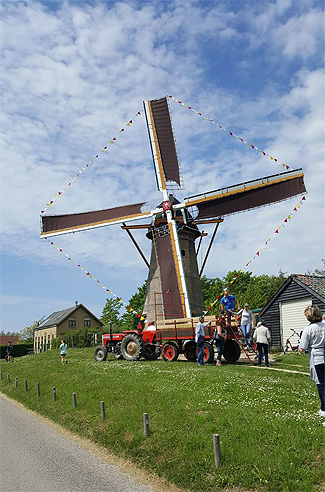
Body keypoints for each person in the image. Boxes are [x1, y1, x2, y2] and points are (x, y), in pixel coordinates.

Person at [299, 305, 325, 417]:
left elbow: (302, 348)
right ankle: (323, 409)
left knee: (322, 385)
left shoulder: (308, 329)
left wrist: (300, 349)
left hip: (317, 358)